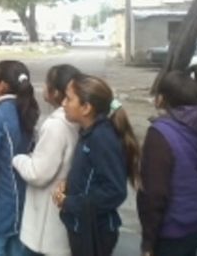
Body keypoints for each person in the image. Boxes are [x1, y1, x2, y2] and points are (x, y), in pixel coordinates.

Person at [53, 74, 139, 256]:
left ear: (86, 108)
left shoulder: (102, 138)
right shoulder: (88, 132)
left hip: (93, 232)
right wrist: (68, 184)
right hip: (81, 226)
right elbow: (90, 172)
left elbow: (114, 191)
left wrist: (70, 202)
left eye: (69, 99)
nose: (63, 104)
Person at [137, 67, 197, 256]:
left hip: (172, 230)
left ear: (161, 98)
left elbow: (154, 195)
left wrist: (148, 244)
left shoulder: (160, 134)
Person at [12, 64, 81, 256]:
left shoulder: (56, 126)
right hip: (62, 215)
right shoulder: (76, 120)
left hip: (47, 225)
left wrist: (19, 159)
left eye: (47, 83)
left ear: (56, 92)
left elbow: (38, 173)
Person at [0, 61, 39, 256]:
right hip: (24, 192)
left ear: (2, 85)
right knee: (16, 246)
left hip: (3, 194)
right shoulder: (27, 109)